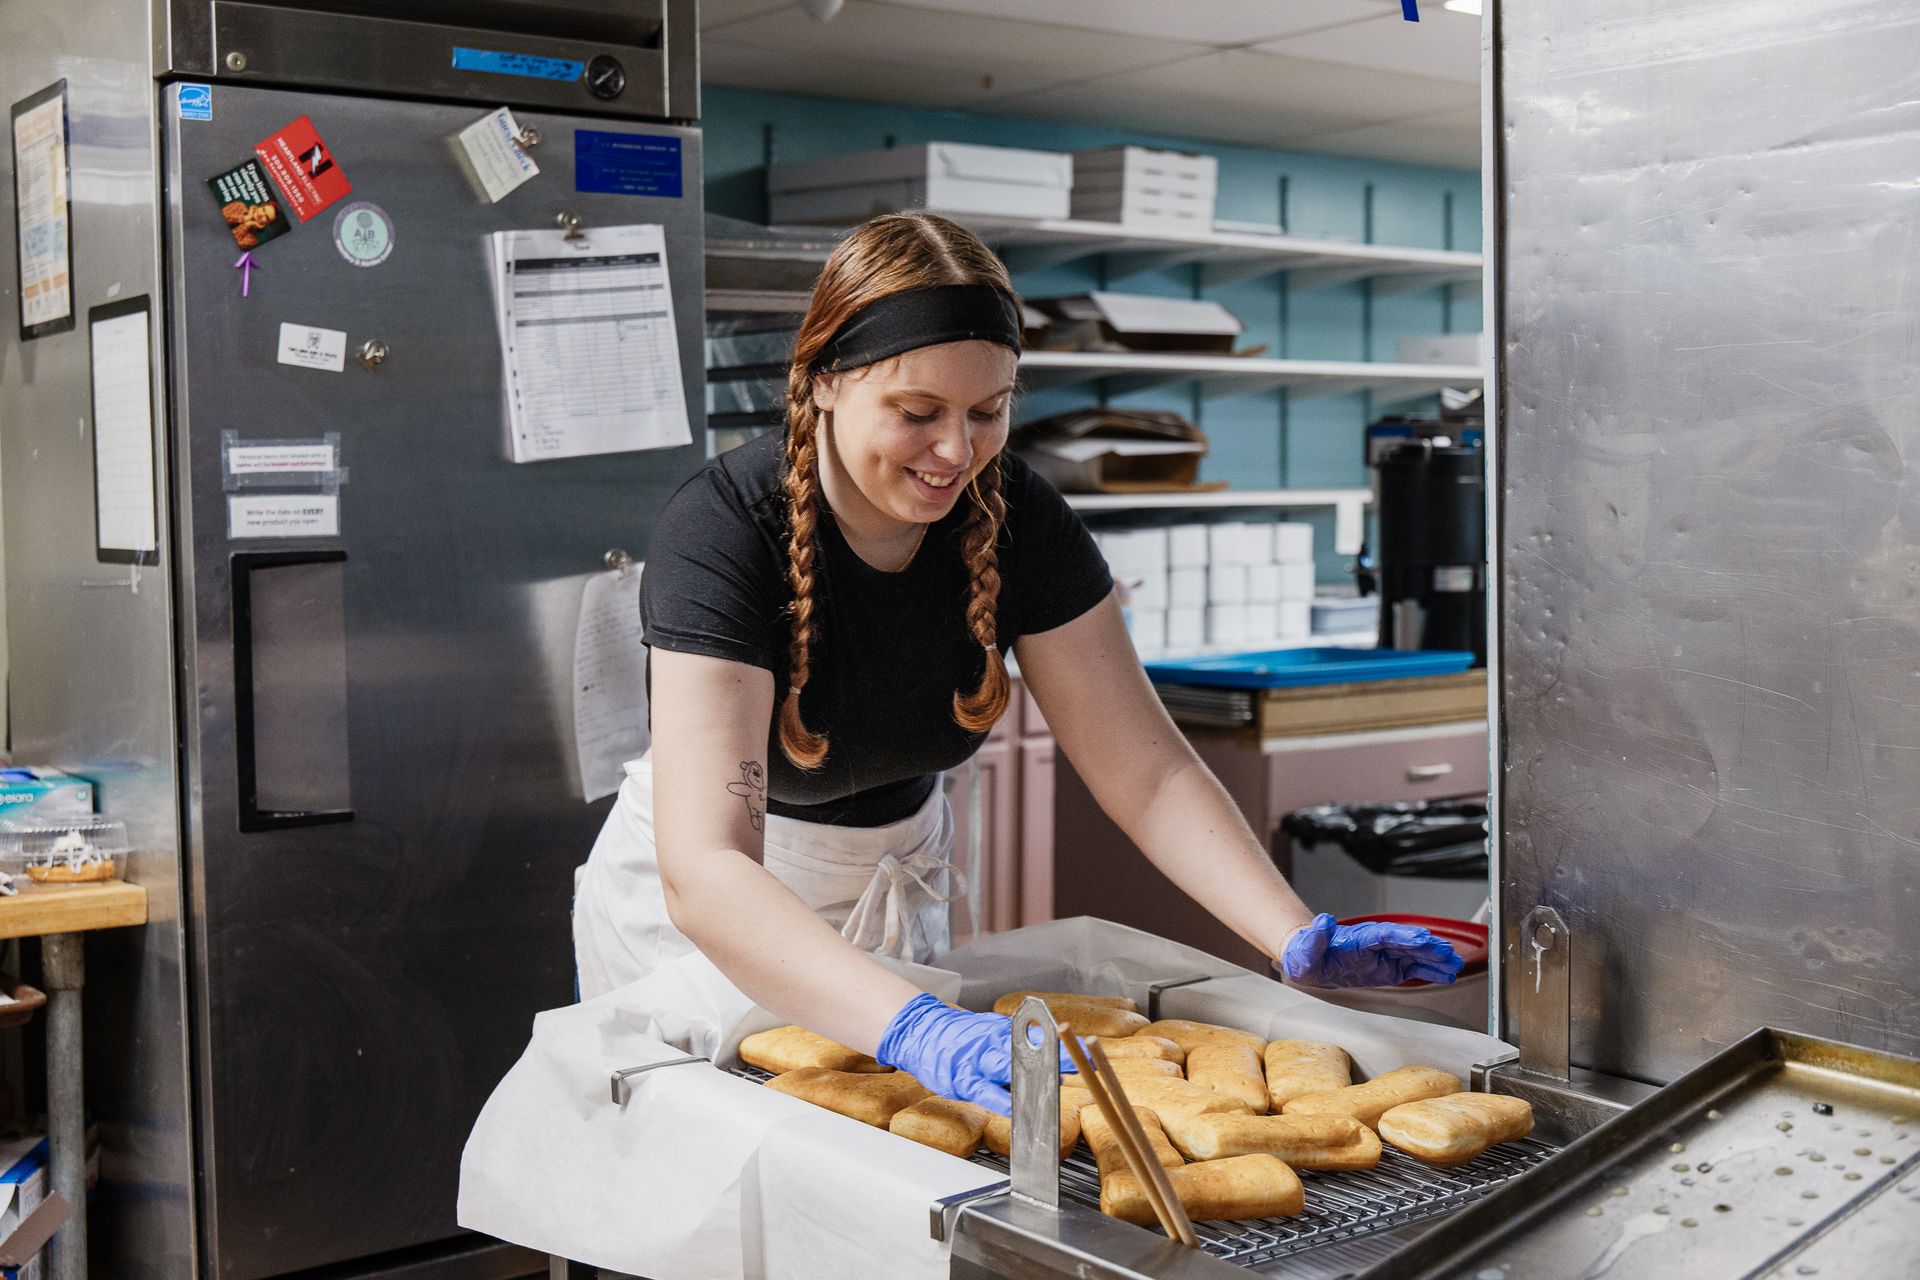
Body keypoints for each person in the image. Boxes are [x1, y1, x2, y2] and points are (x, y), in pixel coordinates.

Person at [572, 212, 1461, 1114]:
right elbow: (708, 868)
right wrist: (914, 1026)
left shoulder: (1017, 518)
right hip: (706, 925)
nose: (956, 452)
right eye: (918, 413)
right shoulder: (721, 533)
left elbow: (1144, 771)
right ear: (826, 381)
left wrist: (1291, 930)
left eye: (987, 412)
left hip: (889, 891)